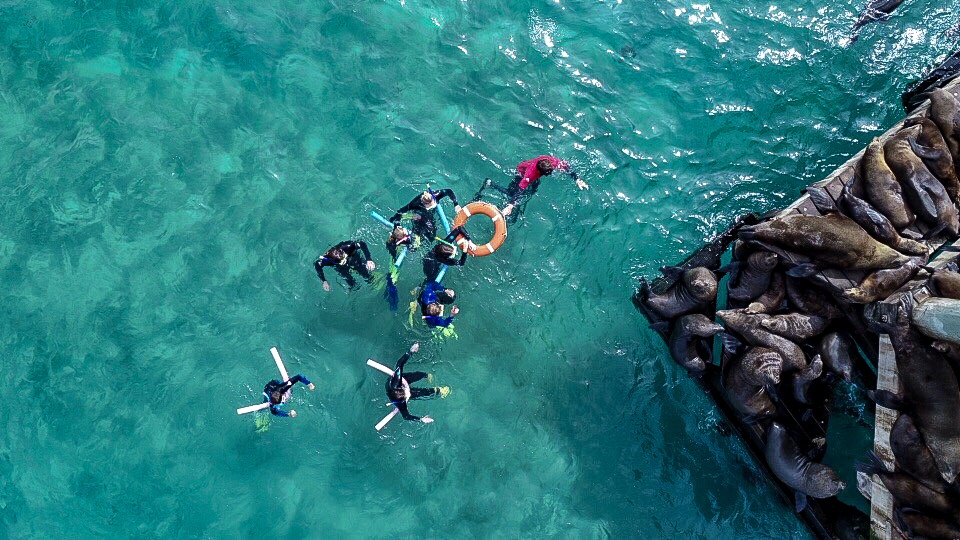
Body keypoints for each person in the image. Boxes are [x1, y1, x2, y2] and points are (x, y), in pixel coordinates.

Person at [479, 155, 589, 218]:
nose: (550, 174)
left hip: (534, 173)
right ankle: (490, 183)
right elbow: (519, 190)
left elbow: (566, 166)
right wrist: (510, 205)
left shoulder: (550, 162)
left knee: (533, 189)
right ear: (540, 172)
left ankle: (533, 187)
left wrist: (577, 179)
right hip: (522, 171)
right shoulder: (529, 175)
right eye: (548, 173)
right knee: (511, 193)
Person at [385, 342, 449, 422]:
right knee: (419, 393)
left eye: (406, 391)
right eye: (407, 395)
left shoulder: (397, 380)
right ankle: (438, 391)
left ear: (401, 388)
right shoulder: (401, 404)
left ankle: (425, 375)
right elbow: (406, 416)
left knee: (414, 376)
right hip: (397, 393)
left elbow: (399, 363)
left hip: (398, 383)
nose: (408, 391)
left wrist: (410, 352)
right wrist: (422, 419)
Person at [389, 188, 462, 241]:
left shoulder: (435, 195)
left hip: (428, 214)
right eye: (430, 205)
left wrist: (456, 204)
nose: (433, 205)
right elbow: (401, 211)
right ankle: (416, 241)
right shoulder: (415, 204)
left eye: (433, 203)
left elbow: (449, 191)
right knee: (419, 229)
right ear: (424, 204)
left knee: (432, 234)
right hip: (419, 213)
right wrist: (395, 221)